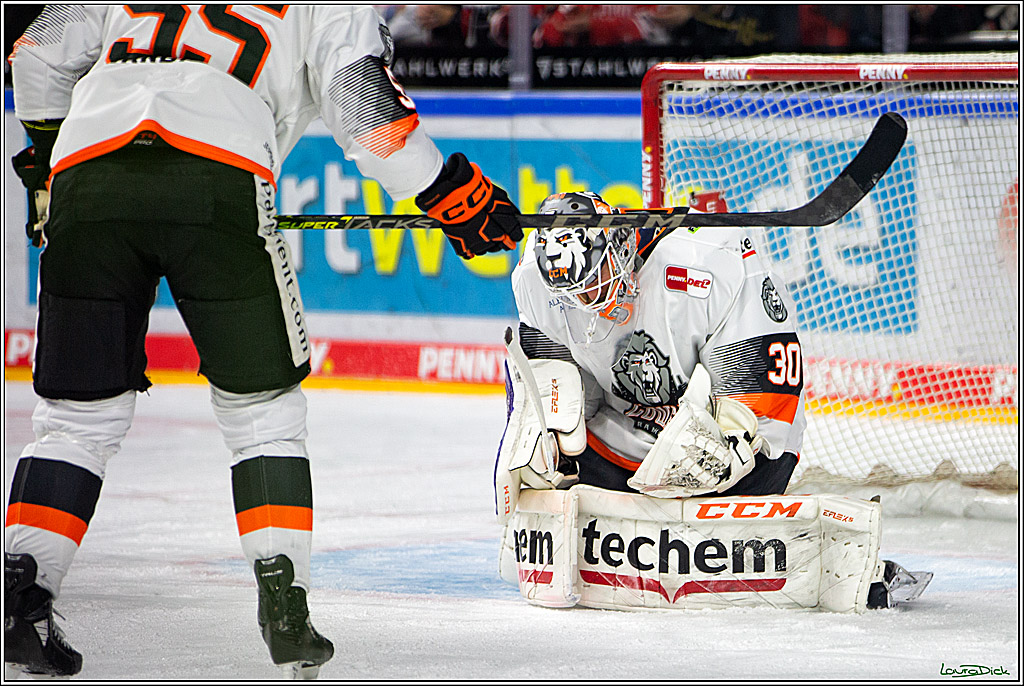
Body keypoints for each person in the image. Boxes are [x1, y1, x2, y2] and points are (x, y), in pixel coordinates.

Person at [5, 4, 521, 679]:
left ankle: (22, 596)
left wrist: (49, 164)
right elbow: (367, 113)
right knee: (262, 415)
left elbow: (35, 56)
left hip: (87, 177)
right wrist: (453, 193)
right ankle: (285, 606)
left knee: (75, 421)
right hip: (218, 175)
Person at [497, 191, 804, 503]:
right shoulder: (533, 280)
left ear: (619, 249)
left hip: (716, 441)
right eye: (572, 292)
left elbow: (767, 377)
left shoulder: (707, 257)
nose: (586, 300)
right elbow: (562, 389)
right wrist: (549, 438)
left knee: (753, 465)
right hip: (621, 447)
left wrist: (733, 442)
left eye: (593, 279)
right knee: (552, 454)